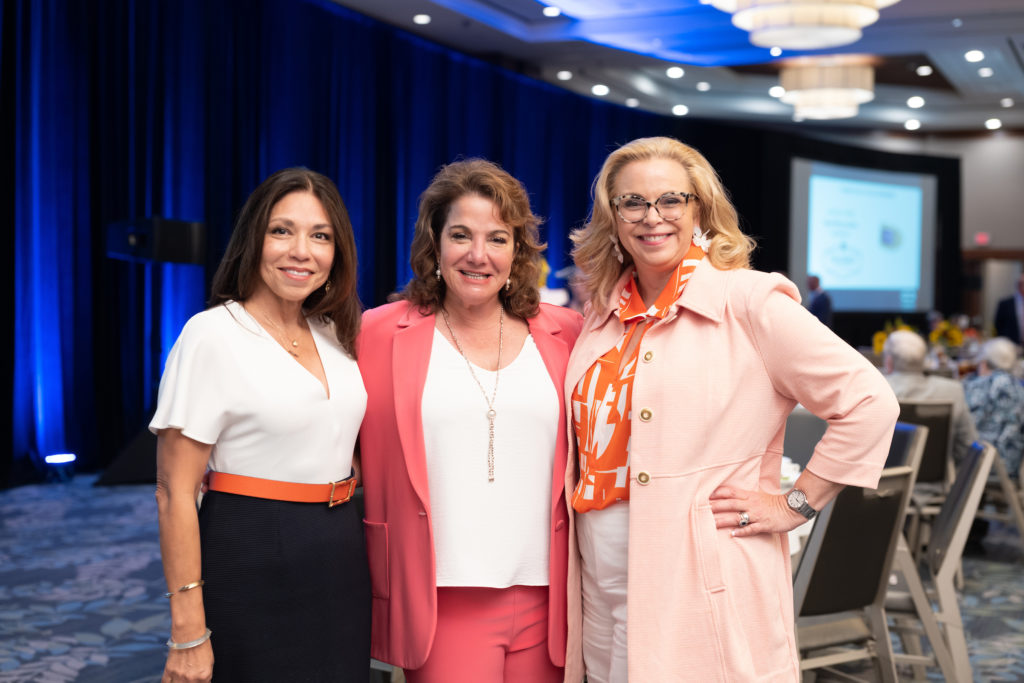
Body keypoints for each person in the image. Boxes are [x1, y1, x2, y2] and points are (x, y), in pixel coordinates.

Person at [563, 136, 899, 682]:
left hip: (698, 574)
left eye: (671, 200)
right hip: (599, 579)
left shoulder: (747, 301)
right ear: (613, 217)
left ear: (700, 209)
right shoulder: (603, 313)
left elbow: (869, 401)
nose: (653, 217)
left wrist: (795, 504)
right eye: (633, 202)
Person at [357, 159, 583, 682]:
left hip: (551, 595)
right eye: (461, 235)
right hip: (442, 595)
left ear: (517, 250)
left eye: (497, 239)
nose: (478, 255)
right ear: (434, 243)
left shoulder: (568, 333)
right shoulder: (378, 334)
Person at [151, 168, 369, 682]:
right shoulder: (211, 336)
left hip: (340, 555)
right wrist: (188, 632)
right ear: (254, 238)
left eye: (320, 236)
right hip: (251, 550)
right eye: (282, 231)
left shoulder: (337, 334)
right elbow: (172, 492)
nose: (302, 251)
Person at [882, 329, 978, 462]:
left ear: (889, 361)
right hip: (937, 481)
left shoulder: (878, 391)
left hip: (886, 479)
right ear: (923, 361)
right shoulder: (952, 391)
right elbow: (967, 446)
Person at [964, 337, 1024, 478]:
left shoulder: (980, 386)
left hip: (985, 464)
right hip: (1014, 464)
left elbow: (966, 426)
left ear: (984, 363)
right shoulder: (1019, 386)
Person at [994, 273, 1024, 344]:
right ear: (1018, 285)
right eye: (1021, 284)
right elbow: (998, 325)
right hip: (1010, 345)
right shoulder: (1005, 304)